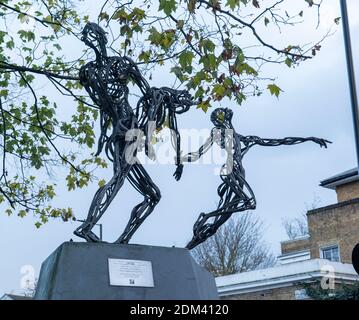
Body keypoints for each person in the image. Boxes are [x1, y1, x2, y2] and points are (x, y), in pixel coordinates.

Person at [175, 107, 331, 249]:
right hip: (230, 173)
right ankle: (207, 217)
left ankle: (191, 243)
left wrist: (309, 138)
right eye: (219, 119)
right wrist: (180, 161)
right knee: (249, 202)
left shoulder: (242, 138)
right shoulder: (219, 135)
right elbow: (198, 153)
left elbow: (276, 141)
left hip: (238, 174)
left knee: (224, 216)